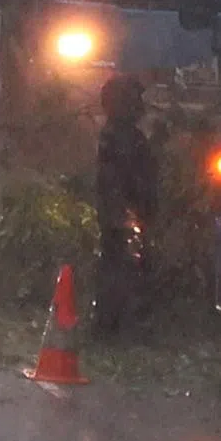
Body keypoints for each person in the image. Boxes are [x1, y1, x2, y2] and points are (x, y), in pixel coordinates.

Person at [90, 67, 156, 322]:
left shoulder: (122, 135)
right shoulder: (119, 137)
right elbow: (124, 177)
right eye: (135, 100)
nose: (140, 106)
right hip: (121, 211)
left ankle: (117, 315)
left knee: (119, 260)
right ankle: (115, 317)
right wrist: (127, 213)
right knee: (119, 262)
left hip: (122, 210)